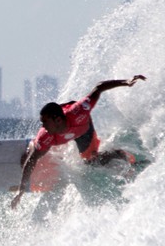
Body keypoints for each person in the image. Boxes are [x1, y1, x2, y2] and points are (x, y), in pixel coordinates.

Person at [11, 75, 146, 209]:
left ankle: (120, 154)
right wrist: (21, 190)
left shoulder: (78, 111)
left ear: (57, 120)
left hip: (83, 131)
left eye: (45, 122)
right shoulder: (45, 135)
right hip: (60, 135)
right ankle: (36, 149)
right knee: (32, 153)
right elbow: (32, 160)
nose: (43, 126)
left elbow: (99, 87)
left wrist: (126, 82)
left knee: (92, 161)